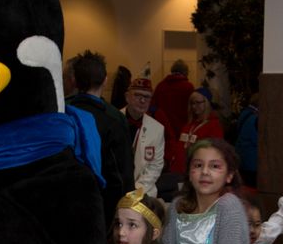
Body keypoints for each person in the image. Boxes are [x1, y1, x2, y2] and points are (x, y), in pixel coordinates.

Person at [66, 50, 135, 227]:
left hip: (65, 201)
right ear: (105, 80)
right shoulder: (114, 118)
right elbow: (123, 174)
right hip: (102, 207)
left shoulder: (61, 111)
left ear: (74, 81)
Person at [122, 78, 165, 198]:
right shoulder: (112, 121)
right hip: (116, 188)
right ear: (127, 97)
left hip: (143, 191)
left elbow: (155, 165)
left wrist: (137, 190)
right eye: (137, 95)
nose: (142, 100)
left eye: (147, 97)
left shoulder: (157, 129)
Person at [170, 87, 224, 174]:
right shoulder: (189, 124)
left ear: (206, 103)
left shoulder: (213, 125)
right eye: (192, 103)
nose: (194, 106)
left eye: (198, 103)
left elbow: (214, 153)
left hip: (195, 173)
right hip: (178, 171)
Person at [151, 60, 194, 142]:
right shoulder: (188, 87)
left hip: (163, 128)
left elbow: (153, 106)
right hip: (182, 128)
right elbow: (192, 109)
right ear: (185, 72)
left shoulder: (161, 86)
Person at [234, 93, 259, 187]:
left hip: (242, 156)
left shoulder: (245, 113)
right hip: (252, 161)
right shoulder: (255, 118)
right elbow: (256, 139)